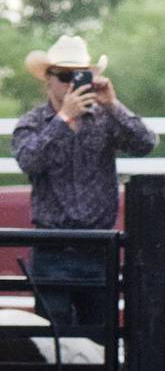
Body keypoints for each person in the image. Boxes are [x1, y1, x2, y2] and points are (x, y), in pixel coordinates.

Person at [13, 35, 157, 328]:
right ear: (48, 80)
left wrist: (114, 104)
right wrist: (63, 119)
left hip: (98, 246)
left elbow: (146, 143)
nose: (71, 84)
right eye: (65, 76)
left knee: (100, 338)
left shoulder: (105, 118)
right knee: (54, 340)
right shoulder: (32, 122)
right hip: (52, 246)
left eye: (80, 76)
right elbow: (29, 160)